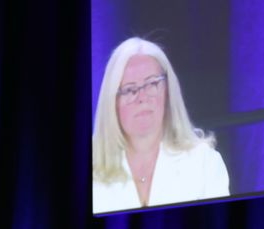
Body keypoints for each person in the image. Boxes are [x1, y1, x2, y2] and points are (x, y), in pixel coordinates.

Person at [92, 37, 230, 214]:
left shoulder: (204, 163)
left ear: (168, 91)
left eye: (151, 84)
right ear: (112, 103)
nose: (141, 97)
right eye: (129, 89)